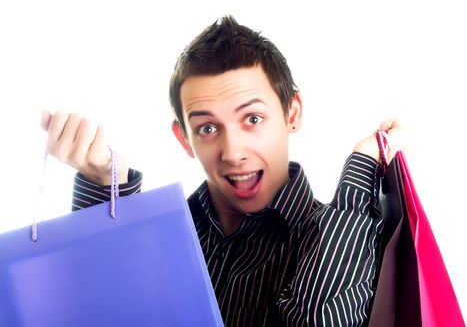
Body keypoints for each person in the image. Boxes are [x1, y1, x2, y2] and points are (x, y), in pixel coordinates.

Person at [42, 16, 402, 326]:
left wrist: (361, 169)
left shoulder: (340, 237)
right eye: (208, 128)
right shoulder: (161, 238)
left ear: (291, 114)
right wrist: (106, 185)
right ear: (184, 139)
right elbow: (97, 312)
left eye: (253, 119)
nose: (232, 153)